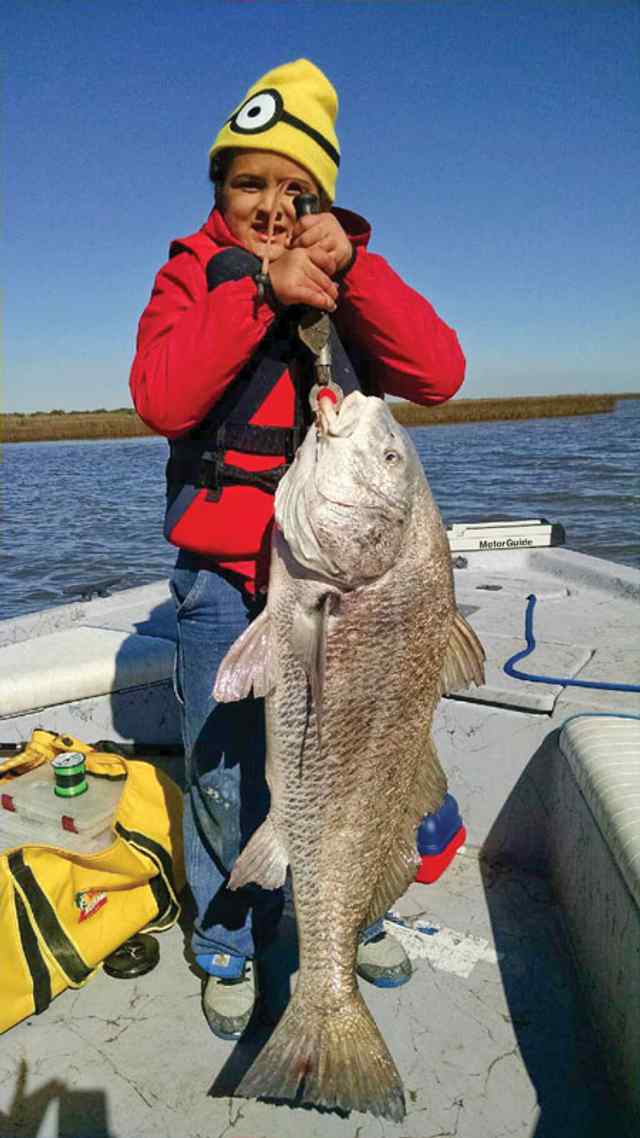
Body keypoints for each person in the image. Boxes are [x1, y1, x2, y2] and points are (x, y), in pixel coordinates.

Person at [130, 59, 465, 1040]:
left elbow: (438, 373)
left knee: (370, 763)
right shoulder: (194, 274)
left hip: (346, 595)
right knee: (224, 769)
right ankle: (229, 932)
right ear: (217, 192)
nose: (271, 205)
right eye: (247, 183)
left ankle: (349, 915)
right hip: (227, 589)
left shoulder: (346, 281)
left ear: (326, 198)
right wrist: (253, 293)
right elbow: (162, 396)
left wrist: (351, 269)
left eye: (297, 188)